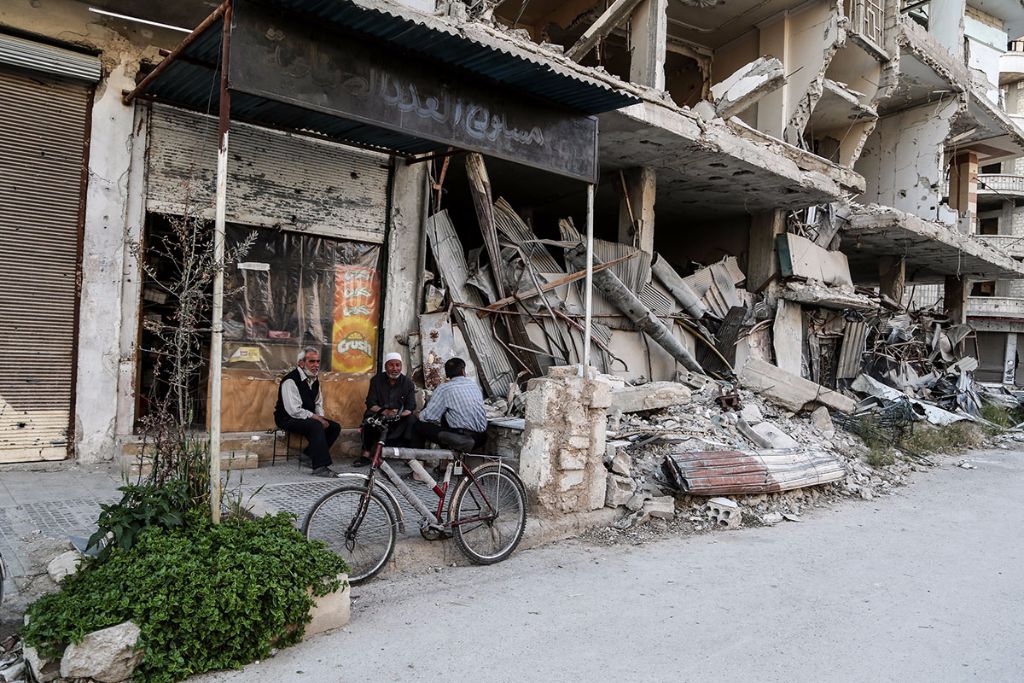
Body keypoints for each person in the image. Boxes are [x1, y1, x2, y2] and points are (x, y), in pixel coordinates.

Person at [274, 346, 342, 477]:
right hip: (287, 418)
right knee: (316, 425)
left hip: (306, 416)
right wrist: (318, 420)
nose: (316, 365)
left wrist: (321, 418)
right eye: (312, 361)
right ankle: (320, 467)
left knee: (334, 427)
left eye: (317, 361)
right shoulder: (290, 380)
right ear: (301, 363)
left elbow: (318, 403)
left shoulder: (314, 380)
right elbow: (294, 410)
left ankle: (308, 455)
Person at [356, 352, 417, 466]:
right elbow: (371, 403)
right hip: (380, 414)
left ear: (401, 366)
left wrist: (398, 414)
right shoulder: (376, 380)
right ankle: (366, 454)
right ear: (385, 366)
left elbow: (410, 407)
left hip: (399, 417)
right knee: (369, 418)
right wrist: (385, 412)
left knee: (412, 420)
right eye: (391, 365)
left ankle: (408, 456)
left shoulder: (408, 383)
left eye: (397, 365)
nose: (395, 369)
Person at [415, 357, 488, 452]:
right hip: (481, 437)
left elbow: (429, 416)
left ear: (446, 374)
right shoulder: (474, 385)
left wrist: (418, 414)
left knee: (419, 425)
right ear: (463, 371)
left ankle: (417, 457)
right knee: (447, 415)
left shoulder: (444, 388)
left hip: (463, 437)